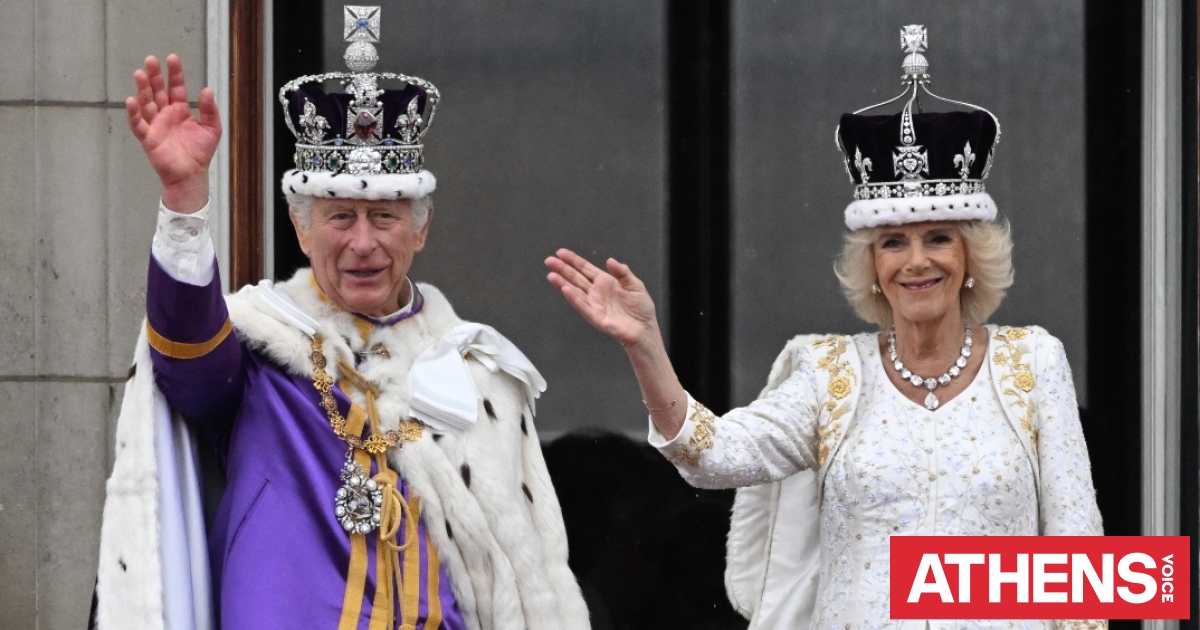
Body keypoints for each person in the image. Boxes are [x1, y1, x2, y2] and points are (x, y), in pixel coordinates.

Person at [545, 25, 1103, 629]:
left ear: (971, 257)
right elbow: (709, 456)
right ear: (873, 266)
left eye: (939, 238)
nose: (917, 261)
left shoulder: (1032, 363)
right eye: (894, 242)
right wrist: (645, 344)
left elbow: (1079, 558)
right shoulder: (831, 374)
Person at [95, 7, 589, 630]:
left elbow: (522, 579)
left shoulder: (479, 375)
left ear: (421, 230)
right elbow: (186, 357)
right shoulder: (261, 352)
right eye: (339, 218)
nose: (362, 243)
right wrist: (184, 200)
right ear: (301, 229)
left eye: (384, 217)